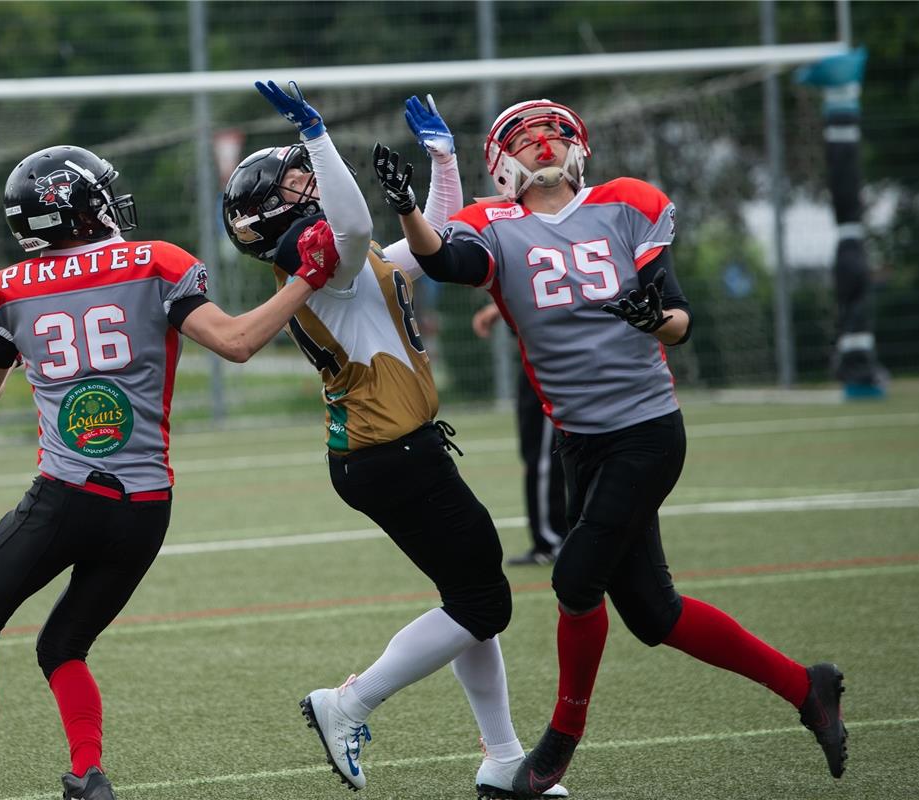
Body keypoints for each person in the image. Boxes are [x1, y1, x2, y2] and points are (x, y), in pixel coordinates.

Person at [372, 98, 848, 798]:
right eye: (526, 139)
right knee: (657, 615)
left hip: (647, 431)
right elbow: (442, 262)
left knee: (574, 580)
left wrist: (659, 320)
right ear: (503, 164)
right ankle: (806, 687)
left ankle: (561, 738)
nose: (542, 145)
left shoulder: (629, 205)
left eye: (553, 133)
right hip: (581, 443)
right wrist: (411, 208)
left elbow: (679, 318)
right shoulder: (492, 224)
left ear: (578, 149)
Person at [0, 145, 341, 800]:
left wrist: (11, 347)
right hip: (145, 507)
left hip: (63, 496)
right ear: (81, 208)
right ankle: (88, 775)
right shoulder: (156, 263)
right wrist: (305, 278)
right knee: (63, 645)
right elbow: (236, 343)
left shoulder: (8, 290)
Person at [222, 81, 567, 799]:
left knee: (469, 597)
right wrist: (316, 130)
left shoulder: (340, 264)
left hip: (392, 452)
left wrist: (441, 163)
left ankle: (503, 759)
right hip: (389, 454)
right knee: (483, 603)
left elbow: (428, 250)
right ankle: (348, 702)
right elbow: (349, 227)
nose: (308, 181)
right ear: (273, 213)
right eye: (295, 181)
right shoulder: (324, 263)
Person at [471, 302, 566, 565]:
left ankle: (553, 541)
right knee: (537, 454)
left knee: (546, 457)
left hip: (554, 360)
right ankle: (550, 539)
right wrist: (498, 308)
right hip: (537, 356)